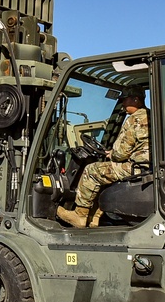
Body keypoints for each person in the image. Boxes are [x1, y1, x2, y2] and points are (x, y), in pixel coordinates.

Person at [56, 86, 150, 228]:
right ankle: (95, 217)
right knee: (104, 174)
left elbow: (120, 153)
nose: (123, 104)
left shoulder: (134, 119)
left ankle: (79, 215)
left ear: (136, 100)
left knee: (91, 170)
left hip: (134, 168)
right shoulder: (150, 116)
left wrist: (112, 153)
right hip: (145, 167)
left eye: (125, 100)